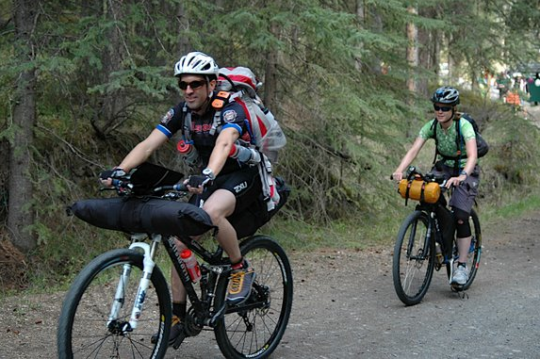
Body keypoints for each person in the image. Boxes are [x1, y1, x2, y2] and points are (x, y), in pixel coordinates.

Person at [100, 51, 261, 345]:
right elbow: (149, 144)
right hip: (208, 178)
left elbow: (225, 142)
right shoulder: (181, 112)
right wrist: (119, 170)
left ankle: (240, 267)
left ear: (211, 84)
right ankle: (176, 319)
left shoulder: (230, 109)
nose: (188, 90)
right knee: (177, 239)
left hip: (242, 174)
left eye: (195, 84)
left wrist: (209, 173)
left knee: (212, 213)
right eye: (183, 84)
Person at [392, 86, 480, 286]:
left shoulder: (463, 126)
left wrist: (463, 175)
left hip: (466, 169)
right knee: (427, 196)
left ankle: (461, 266)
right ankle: (440, 241)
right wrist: (399, 169)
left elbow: (473, 155)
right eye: (436, 107)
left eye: (445, 107)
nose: (440, 111)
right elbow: (414, 149)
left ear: (453, 109)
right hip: (443, 167)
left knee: (459, 216)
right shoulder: (431, 126)